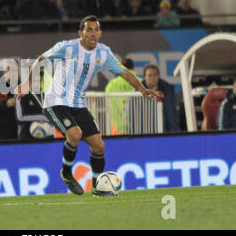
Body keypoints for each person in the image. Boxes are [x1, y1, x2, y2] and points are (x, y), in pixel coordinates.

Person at [15, 15, 161, 195]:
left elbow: (124, 73)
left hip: (78, 104)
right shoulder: (67, 48)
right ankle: (67, 173)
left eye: (96, 29)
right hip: (55, 102)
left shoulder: (103, 53)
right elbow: (41, 59)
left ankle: (96, 186)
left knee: (99, 146)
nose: (93, 33)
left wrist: (142, 89)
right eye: (89, 29)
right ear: (80, 33)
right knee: (74, 134)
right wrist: (29, 82)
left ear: (100, 33)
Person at [105, 58, 142, 135]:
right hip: (139, 127)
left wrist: (121, 126)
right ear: (134, 68)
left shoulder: (111, 85)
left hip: (118, 127)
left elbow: (111, 108)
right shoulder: (141, 82)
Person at [142, 64, 180, 132]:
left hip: (165, 132)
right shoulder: (137, 92)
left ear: (158, 76)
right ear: (144, 77)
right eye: (150, 75)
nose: (152, 78)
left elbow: (172, 116)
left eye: (155, 75)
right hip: (145, 132)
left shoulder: (168, 91)